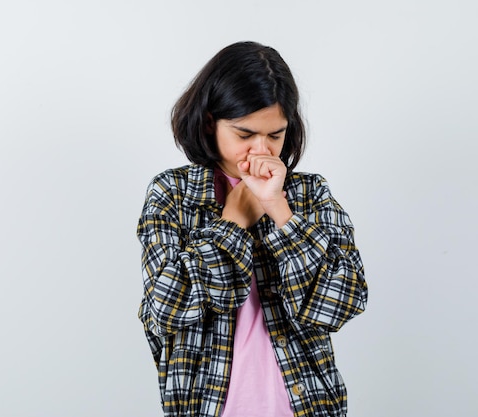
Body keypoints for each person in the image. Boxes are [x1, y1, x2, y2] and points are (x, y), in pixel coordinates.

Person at [136, 41, 368, 417]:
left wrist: (279, 209)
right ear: (211, 122)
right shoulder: (173, 194)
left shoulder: (309, 194)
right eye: (245, 135)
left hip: (305, 406)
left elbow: (341, 303)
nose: (261, 150)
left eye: (275, 135)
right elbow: (166, 307)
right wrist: (233, 222)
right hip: (206, 406)